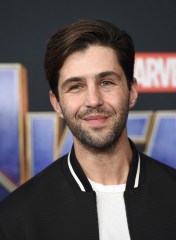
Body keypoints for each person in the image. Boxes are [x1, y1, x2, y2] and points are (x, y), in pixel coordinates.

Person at [0, 19, 176, 240]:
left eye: (106, 82)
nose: (93, 100)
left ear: (132, 91)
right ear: (56, 103)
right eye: (76, 87)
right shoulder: (15, 220)